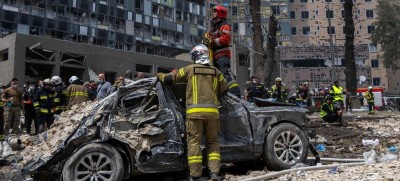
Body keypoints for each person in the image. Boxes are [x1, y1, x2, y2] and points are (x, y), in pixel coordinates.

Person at [157, 44, 228, 181]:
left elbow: (169, 79)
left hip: (194, 114)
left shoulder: (189, 69)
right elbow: (225, 90)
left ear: (195, 56)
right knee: (213, 142)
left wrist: (159, 75)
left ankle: (196, 176)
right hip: (213, 114)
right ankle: (214, 173)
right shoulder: (216, 72)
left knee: (194, 144)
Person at [203, 5, 240, 98]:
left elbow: (225, 38)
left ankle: (235, 93)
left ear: (220, 13)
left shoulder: (224, 25)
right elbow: (211, 38)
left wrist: (212, 41)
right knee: (218, 75)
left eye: (215, 12)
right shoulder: (214, 26)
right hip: (215, 55)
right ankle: (223, 94)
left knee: (225, 72)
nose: (213, 13)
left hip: (222, 54)